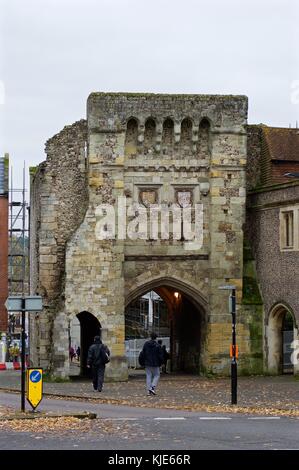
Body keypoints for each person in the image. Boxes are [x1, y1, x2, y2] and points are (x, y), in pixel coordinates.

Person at [139, 332, 163, 396]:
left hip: (147, 362)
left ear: (150, 337)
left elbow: (143, 353)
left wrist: (143, 362)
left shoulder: (146, 344)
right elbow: (160, 355)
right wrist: (161, 363)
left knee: (148, 376)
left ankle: (148, 391)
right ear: (156, 337)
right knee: (157, 375)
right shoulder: (158, 345)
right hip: (155, 363)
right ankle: (152, 387)